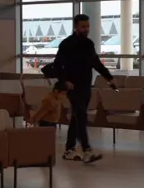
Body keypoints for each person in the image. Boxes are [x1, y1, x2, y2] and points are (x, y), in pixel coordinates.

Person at [50, 14, 116, 163]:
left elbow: (96, 63)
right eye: (83, 27)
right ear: (76, 27)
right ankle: (86, 150)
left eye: (87, 26)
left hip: (86, 86)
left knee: (76, 118)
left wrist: (109, 78)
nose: (86, 29)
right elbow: (57, 66)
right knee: (81, 116)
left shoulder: (89, 44)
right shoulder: (67, 44)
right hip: (72, 87)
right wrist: (64, 81)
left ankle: (69, 150)